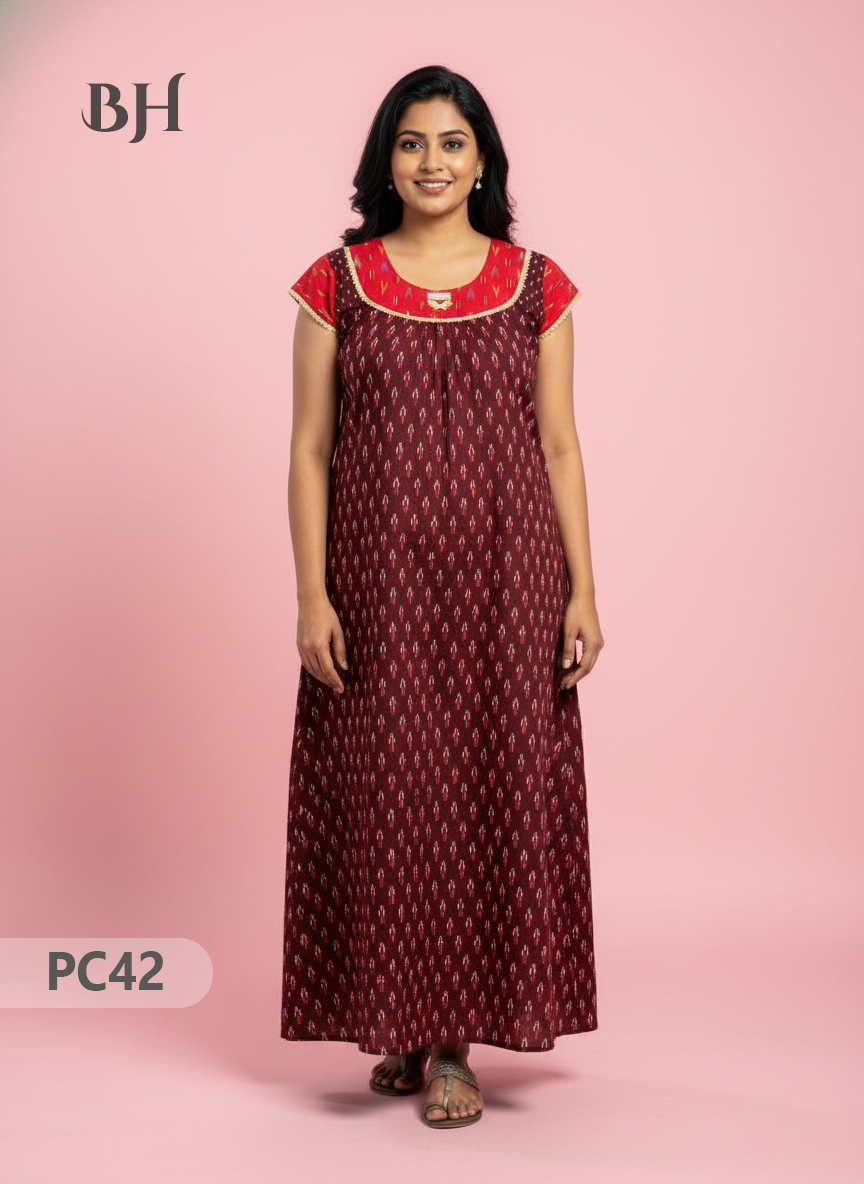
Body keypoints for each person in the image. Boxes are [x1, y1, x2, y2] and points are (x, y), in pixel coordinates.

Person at [282, 64, 604, 1130]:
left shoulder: (537, 285)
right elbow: (310, 449)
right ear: (386, 160)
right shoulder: (336, 282)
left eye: (453, 143)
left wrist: (583, 589)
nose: (432, 162)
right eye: (412, 142)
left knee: (484, 790)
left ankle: (456, 1046)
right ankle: (403, 1019)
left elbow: (560, 446)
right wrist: (312, 594)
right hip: (378, 586)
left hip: (510, 584)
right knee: (390, 789)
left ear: (482, 162)